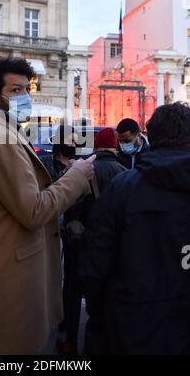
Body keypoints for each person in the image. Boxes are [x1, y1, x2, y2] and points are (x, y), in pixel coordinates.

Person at [0, 58, 96, 355]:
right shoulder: (0, 139)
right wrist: (76, 177)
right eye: (16, 89)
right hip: (9, 278)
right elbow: (33, 211)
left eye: (27, 89)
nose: (25, 97)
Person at [83, 102, 190, 355]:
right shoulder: (122, 185)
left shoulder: (122, 188)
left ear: (150, 137)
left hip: (130, 327)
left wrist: (99, 320)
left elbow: (95, 268)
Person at [56, 128, 126, 355]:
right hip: (110, 247)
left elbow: (70, 204)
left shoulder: (84, 169)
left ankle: (70, 341)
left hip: (80, 242)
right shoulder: (124, 173)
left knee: (73, 290)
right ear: (115, 146)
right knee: (105, 294)